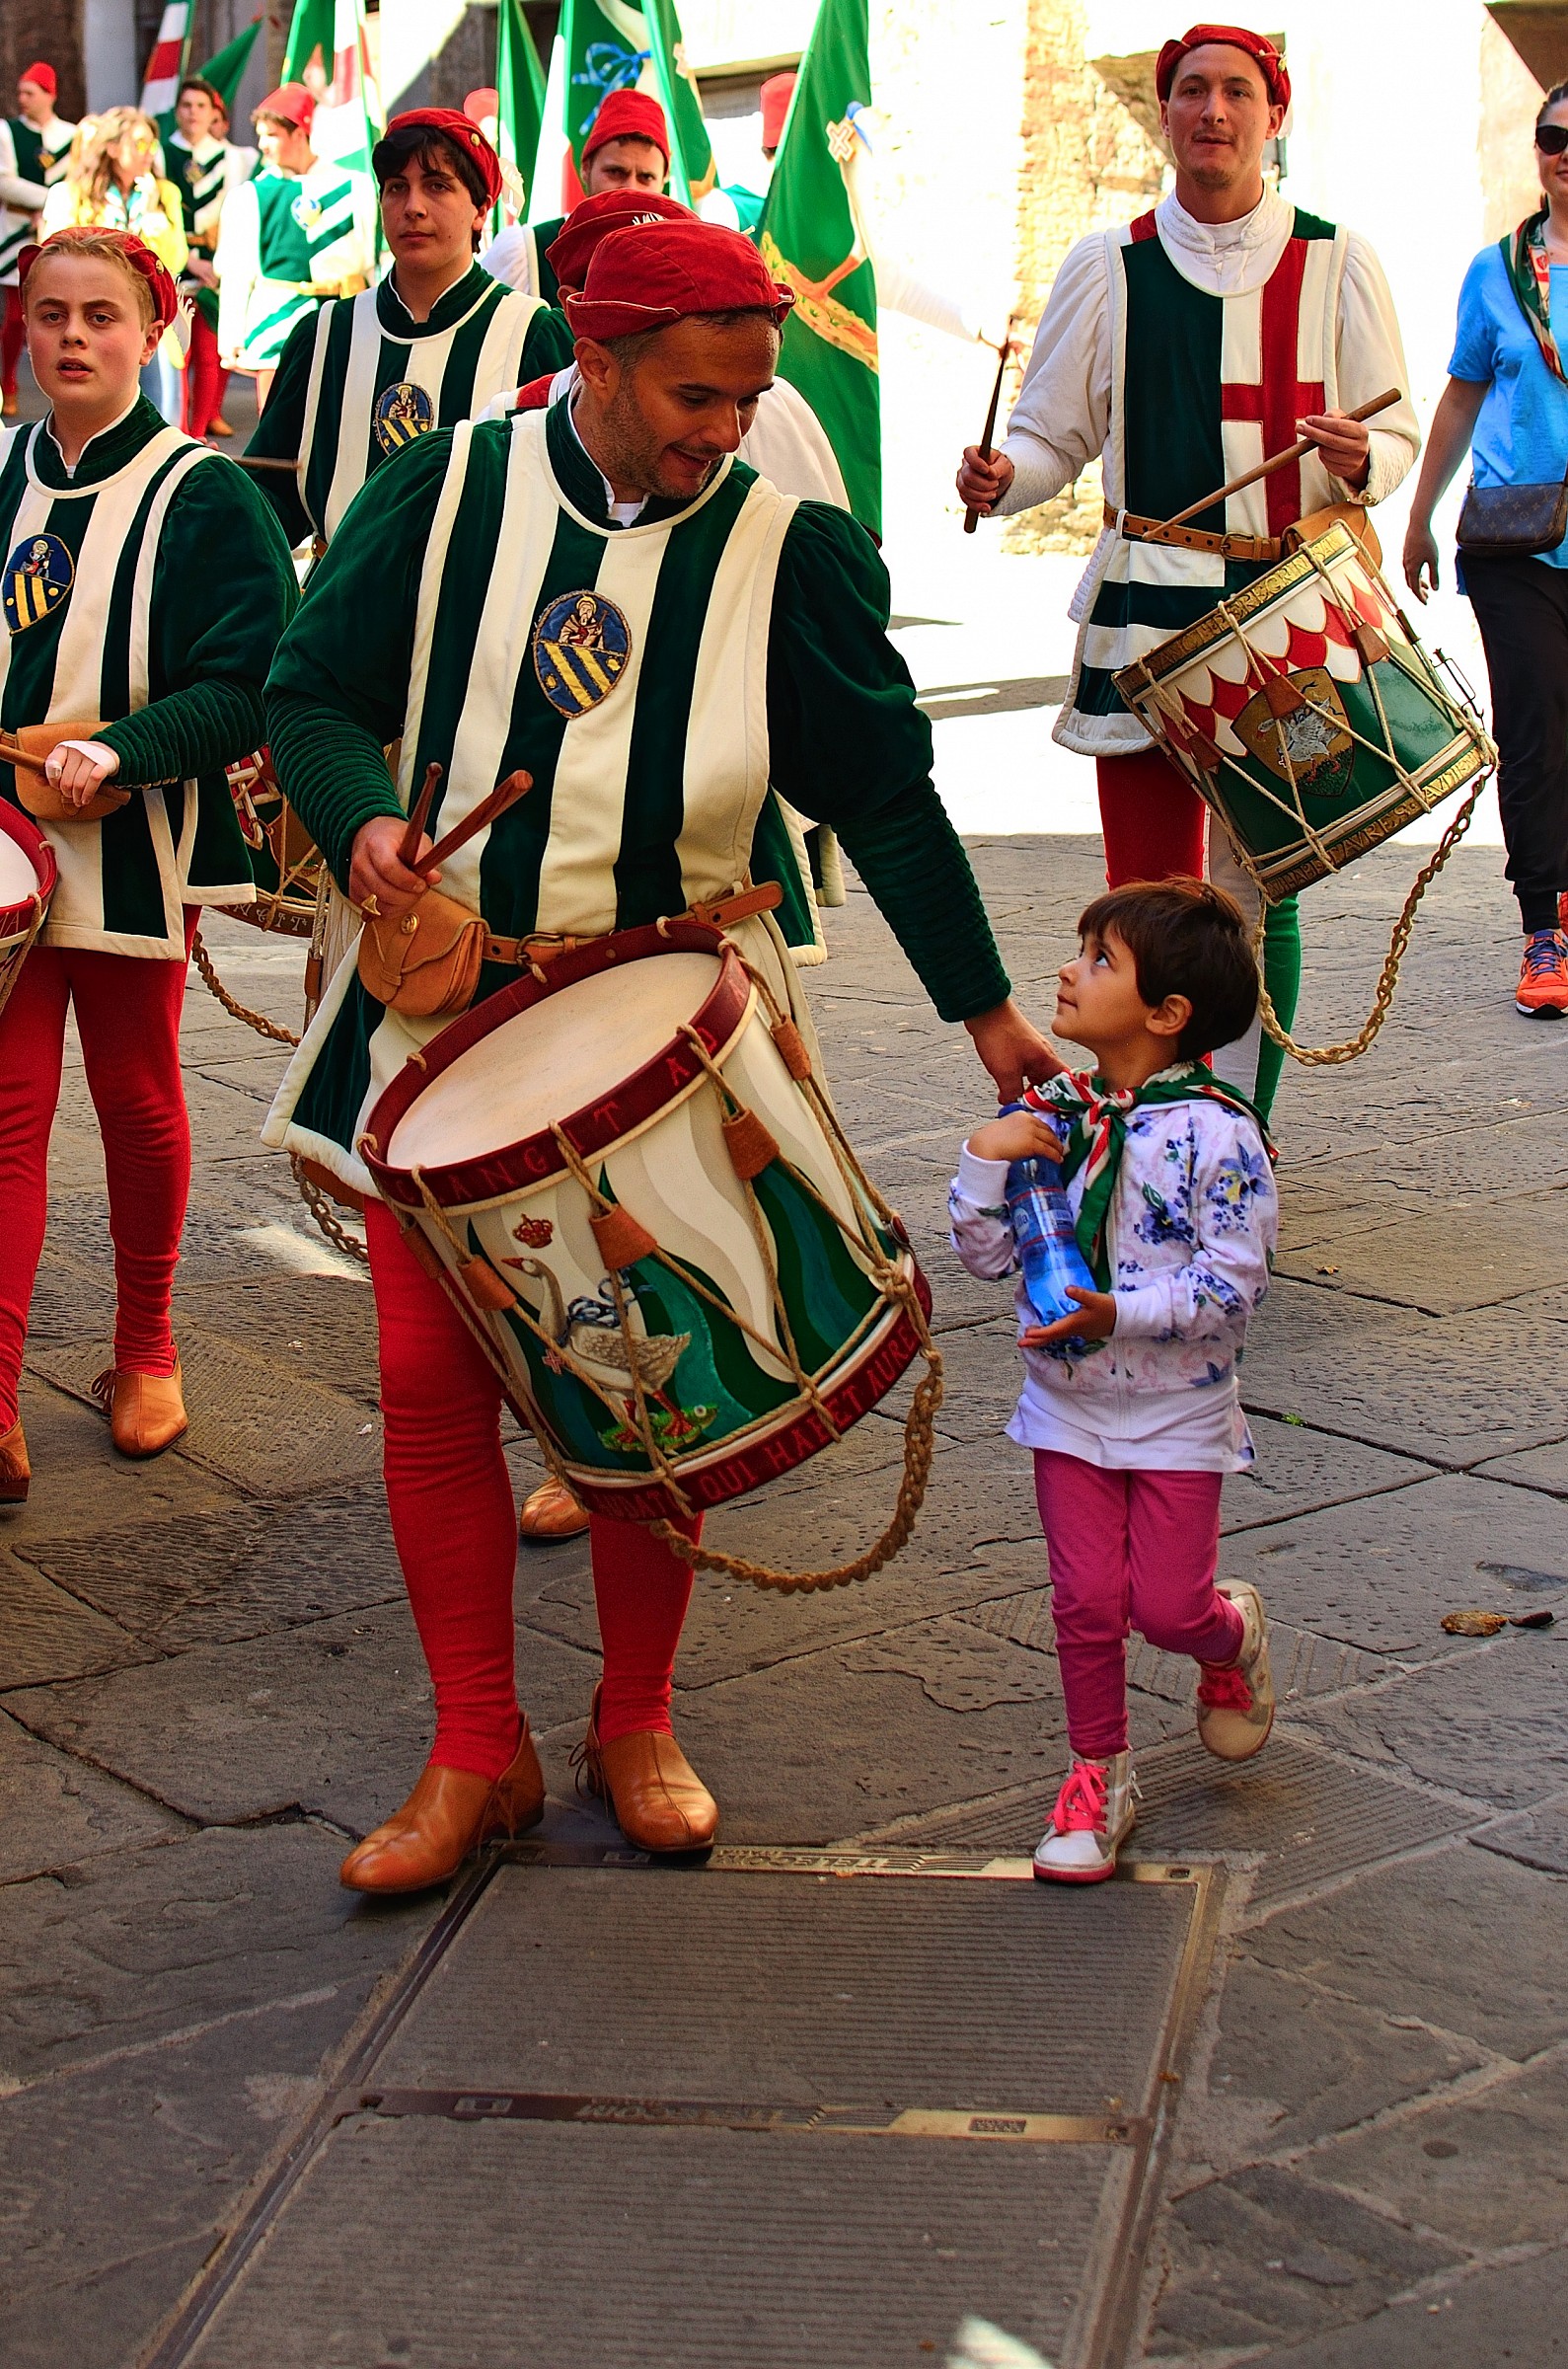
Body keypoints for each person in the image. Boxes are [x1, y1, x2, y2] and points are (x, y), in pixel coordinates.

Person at [258, 219, 1055, 1889]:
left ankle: (635, 1715)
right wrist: (366, 819)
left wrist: (985, 1014)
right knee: (423, 1380)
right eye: (692, 395)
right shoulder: (446, 487)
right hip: (441, 1007)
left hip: (665, 1021)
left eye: (746, 394)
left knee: (646, 1374)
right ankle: (474, 1746)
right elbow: (307, 687)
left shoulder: (789, 545)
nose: (722, 427)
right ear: (593, 362)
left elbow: (882, 797)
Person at [955, 23, 1418, 1123]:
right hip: (1147, 614)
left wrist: (1366, 460)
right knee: (1150, 900)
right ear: (1162, 114)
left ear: (1273, 113)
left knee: (1260, 888)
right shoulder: (1103, 266)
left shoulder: (1337, 260)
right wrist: (997, 479)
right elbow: (1048, 438)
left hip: (1285, 614)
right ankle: (1155, 1130)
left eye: (1236, 92)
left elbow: (1388, 438)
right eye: (1191, 91)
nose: (1212, 111)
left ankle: (1238, 1135)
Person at [498, 187, 850, 1548]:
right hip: (504, 917)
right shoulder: (499, 455)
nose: (721, 426)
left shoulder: (764, 432)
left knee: (669, 1210)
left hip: (693, 877)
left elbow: (822, 628)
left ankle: (646, 1413)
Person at [0, 227, 297, 1504]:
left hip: (134, 849)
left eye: (101, 317)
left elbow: (251, 685)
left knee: (135, 1097)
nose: (72, 336)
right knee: (7, 1113)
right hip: (6, 854)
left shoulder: (205, 493)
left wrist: (121, 749)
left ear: (152, 331)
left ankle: (146, 1347)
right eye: (51, 313)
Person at [949, 879, 1279, 1883]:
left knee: (1169, 1608)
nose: (1064, 969)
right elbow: (987, 1259)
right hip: (1066, 1407)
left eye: (1097, 959)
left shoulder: (1222, 1136)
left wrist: (1116, 1314)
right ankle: (1097, 1774)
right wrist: (979, 1163)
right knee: (1085, 1601)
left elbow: (1230, 1288)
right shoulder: (1051, 1114)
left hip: (1177, 1413)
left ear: (1164, 1015)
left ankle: (1227, 1640)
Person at [1402, 80, 1568, 1019]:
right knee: (1537, 727)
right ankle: (1540, 925)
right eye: (1551, 137)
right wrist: (1420, 513)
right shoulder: (1494, 273)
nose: (1563, 152)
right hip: (1515, 543)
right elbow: (1462, 393)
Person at [244, 108, 572, 552]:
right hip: (339, 610)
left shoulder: (532, 334)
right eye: (397, 188)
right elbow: (269, 499)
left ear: (480, 210)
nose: (412, 206)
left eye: (437, 186)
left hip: (471, 614)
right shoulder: (323, 337)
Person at [214, 82, 376, 409]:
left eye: (271, 135)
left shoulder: (354, 187)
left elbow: (370, 261)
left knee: (336, 425)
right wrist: (230, 333)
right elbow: (236, 270)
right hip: (274, 321)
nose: (262, 145)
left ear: (300, 133)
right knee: (274, 432)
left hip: (338, 318)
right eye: (261, 135)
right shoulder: (251, 196)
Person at [41, 109, 187, 424]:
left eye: (152, 145)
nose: (148, 153)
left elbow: (175, 261)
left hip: (149, 324)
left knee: (164, 417)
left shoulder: (165, 194)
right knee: (92, 415)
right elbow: (51, 261)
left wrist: (151, 214)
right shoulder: (72, 195)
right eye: (139, 144)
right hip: (94, 323)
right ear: (112, 147)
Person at [482, 87, 670, 307]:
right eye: (615, 172)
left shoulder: (676, 260)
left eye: (646, 177)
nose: (630, 189)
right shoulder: (527, 251)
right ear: (586, 169)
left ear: (663, 181)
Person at [162, 75, 256, 442]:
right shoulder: (159, 153)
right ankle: (177, 431)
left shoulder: (234, 159)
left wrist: (222, 266)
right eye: (186, 105)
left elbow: (240, 217)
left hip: (218, 269)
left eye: (201, 106)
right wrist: (186, 261)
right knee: (175, 355)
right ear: (177, 111)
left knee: (210, 353)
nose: (193, 113)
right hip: (174, 267)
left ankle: (198, 433)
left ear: (214, 111)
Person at [1, 63, 77, 418]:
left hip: (59, 234)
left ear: (50, 94)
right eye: (20, 92)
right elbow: (5, 182)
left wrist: (56, 207)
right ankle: (8, 384)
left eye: (30, 92)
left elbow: (76, 179)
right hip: (17, 234)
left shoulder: (72, 135)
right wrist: (50, 199)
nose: (22, 99)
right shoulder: (7, 132)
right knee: (16, 319)